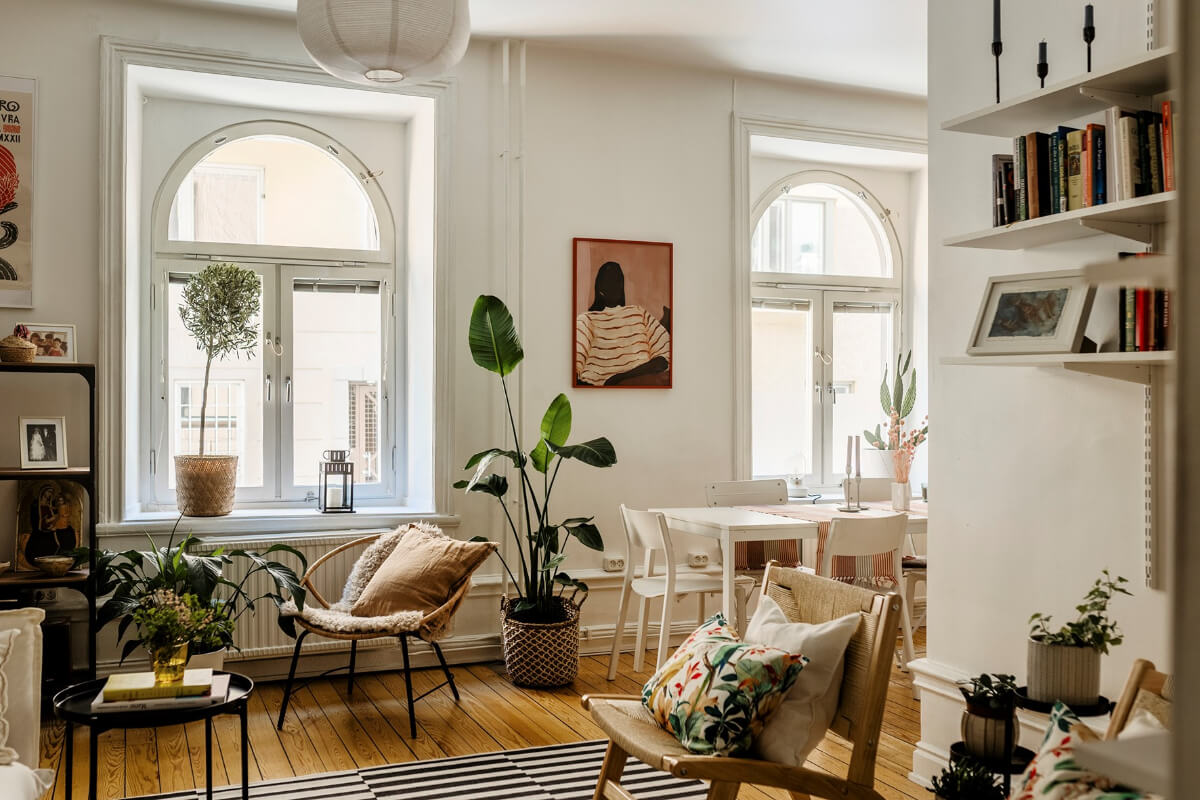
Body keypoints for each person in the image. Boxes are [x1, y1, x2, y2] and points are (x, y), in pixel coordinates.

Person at [575, 261, 670, 386]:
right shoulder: (586, 321)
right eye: (610, 281)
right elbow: (575, 369)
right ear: (600, 287)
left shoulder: (639, 313)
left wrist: (620, 378)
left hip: (644, 383)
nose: (616, 286)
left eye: (619, 281)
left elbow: (664, 358)